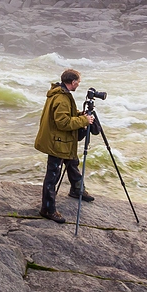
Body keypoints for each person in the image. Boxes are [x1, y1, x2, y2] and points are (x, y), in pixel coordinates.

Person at [34, 68, 96, 223]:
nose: (79, 85)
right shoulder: (61, 98)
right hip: (58, 142)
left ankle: (77, 190)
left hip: (63, 141)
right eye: (78, 82)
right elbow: (62, 122)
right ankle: (47, 209)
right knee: (52, 176)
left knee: (73, 162)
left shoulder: (61, 94)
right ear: (73, 82)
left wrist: (78, 114)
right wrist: (84, 121)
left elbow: (66, 113)